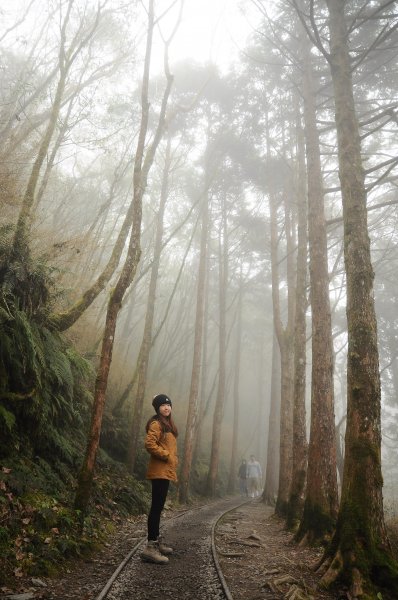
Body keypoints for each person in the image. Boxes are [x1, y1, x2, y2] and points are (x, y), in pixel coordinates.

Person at [140, 393, 178, 565]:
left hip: (165, 471)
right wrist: (166, 455)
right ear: (157, 408)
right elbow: (149, 444)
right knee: (156, 508)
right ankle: (150, 547)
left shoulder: (168, 425)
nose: (166, 407)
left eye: (168, 405)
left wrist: (170, 459)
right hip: (159, 470)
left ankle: (155, 541)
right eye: (163, 405)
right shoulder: (156, 424)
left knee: (159, 507)